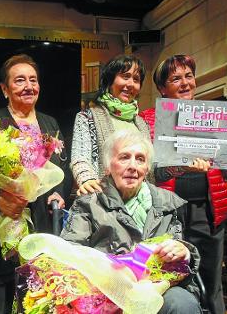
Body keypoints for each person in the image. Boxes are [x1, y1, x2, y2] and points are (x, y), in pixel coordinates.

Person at [140, 54, 227, 314]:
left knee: (211, 282)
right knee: (166, 277)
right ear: (162, 88)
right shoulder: (147, 118)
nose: (184, 83)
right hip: (165, 212)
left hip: (206, 211)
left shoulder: (215, 116)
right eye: (175, 78)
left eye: (188, 76)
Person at [0, 54, 69, 313]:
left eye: (33, 80)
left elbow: (61, 169)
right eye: (20, 80)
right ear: (5, 89)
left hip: (41, 225)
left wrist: (58, 193)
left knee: (36, 303)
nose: (29, 86)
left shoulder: (50, 123)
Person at [61, 130, 202, 314]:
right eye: (124, 157)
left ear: (147, 169)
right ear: (107, 166)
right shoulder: (89, 203)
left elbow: (179, 257)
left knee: (182, 304)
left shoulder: (168, 203)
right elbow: (69, 251)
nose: (133, 166)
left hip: (158, 288)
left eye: (140, 159)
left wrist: (184, 252)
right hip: (104, 290)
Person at [70, 54, 151, 197]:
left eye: (136, 79)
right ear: (110, 80)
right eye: (125, 76)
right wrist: (87, 179)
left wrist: (180, 165)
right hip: (102, 203)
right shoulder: (87, 117)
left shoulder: (141, 124)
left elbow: (151, 170)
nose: (131, 84)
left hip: (139, 205)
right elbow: (80, 158)